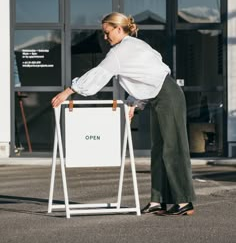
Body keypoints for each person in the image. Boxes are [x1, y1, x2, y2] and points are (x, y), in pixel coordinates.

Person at [51, 12, 196, 216]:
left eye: (107, 32)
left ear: (119, 29)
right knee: (159, 149)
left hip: (167, 95)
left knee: (173, 148)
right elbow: (146, 76)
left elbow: (99, 74)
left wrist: (69, 91)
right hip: (160, 95)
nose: (105, 37)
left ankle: (184, 202)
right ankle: (158, 201)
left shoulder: (122, 51)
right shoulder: (134, 46)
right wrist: (133, 103)